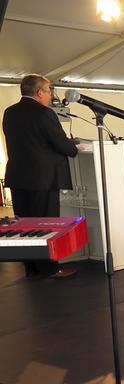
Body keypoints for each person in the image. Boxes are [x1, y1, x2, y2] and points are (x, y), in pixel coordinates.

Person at [2, 74, 79, 278]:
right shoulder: (44, 113)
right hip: (43, 178)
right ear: (39, 92)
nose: (50, 95)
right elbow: (60, 143)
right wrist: (73, 147)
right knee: (45, 224)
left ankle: (31, 268)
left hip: (18, 176)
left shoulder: (9, 112)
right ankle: (50, 269)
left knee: (26, 224)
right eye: (48, 90)